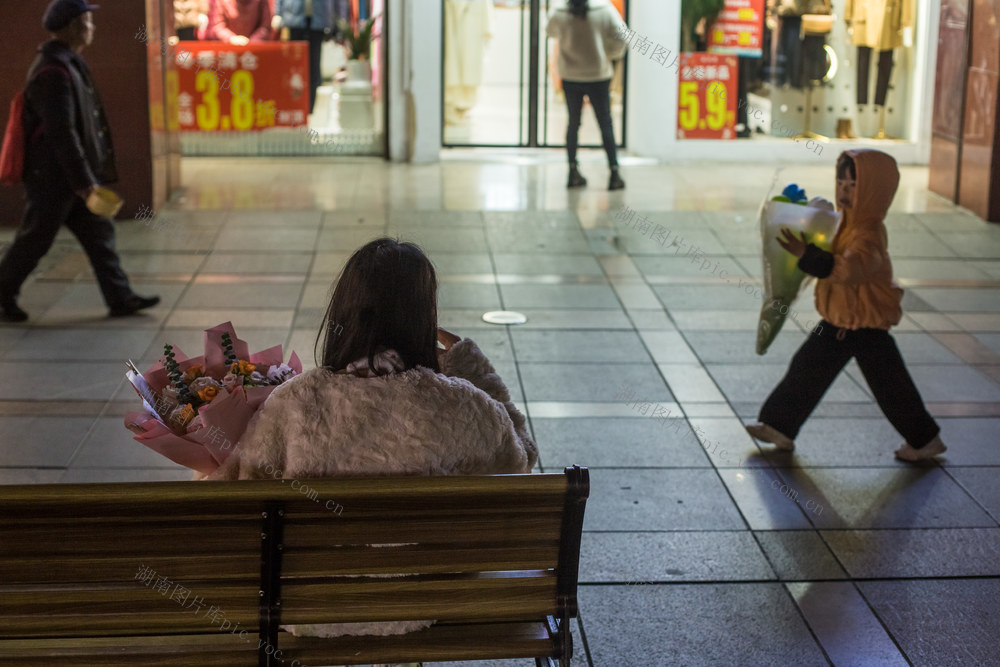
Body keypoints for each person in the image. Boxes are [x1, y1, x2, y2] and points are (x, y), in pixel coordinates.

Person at [207, 238, 538, 643]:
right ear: (423, 317)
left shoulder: (295, 402)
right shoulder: (466, 405)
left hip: (310, 606)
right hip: (430, 602)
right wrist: (473, 370)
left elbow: (234, 497)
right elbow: (521, 463)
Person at [746, 149, 946, 462]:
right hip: (842, 321)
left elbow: (853, 269)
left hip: (863, 324)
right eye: (841, 182)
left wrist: (808, 255)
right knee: (808, 368)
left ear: (874, 191)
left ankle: (924, 439)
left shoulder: (867, 233)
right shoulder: (843, 224)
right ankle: (778, 426)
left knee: (889, 386)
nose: (844, 190)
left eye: (854, 185)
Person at [0, 0, 160, 323]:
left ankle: (120, 297)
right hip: (54, 180)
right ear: (73, 27)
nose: (92, 28)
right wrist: (85, 183)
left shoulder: (66, 62)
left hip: (70, 178)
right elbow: (63, 134)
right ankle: (2, 293)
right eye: (88, 22)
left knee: (100, 236)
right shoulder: (52, 72)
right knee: (34, 240)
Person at [546, 0, 627, 191]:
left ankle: (572, 171)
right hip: (598, 74)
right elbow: (622, 36)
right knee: (605, 123)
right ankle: (614, 173)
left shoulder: (560, 10)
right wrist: (609, 53)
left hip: (570, 75)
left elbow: (549, 31)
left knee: (573, 123)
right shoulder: (604, 9)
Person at [272, 0, 348, 113]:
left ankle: (309, 109)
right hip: (294, 16)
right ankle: (294, 106)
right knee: (294, 68)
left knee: (314, 67)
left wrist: (340, 16)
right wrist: (278, 13)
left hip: (319, 18)